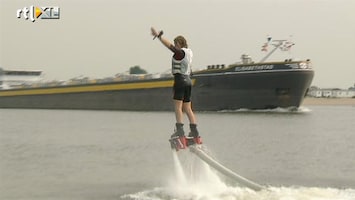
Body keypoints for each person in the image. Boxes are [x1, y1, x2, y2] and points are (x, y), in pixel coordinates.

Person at [151, 27, 200, 143]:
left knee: (178, 107)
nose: (174, 45)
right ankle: (195, 133)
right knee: (188, 108)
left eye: (176, 43)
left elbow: (170, 47)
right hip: (188, 81)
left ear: (180, 43)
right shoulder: (189, 53)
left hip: (180, 81)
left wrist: (159, 37)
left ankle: (180, 131)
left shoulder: (180, 52)